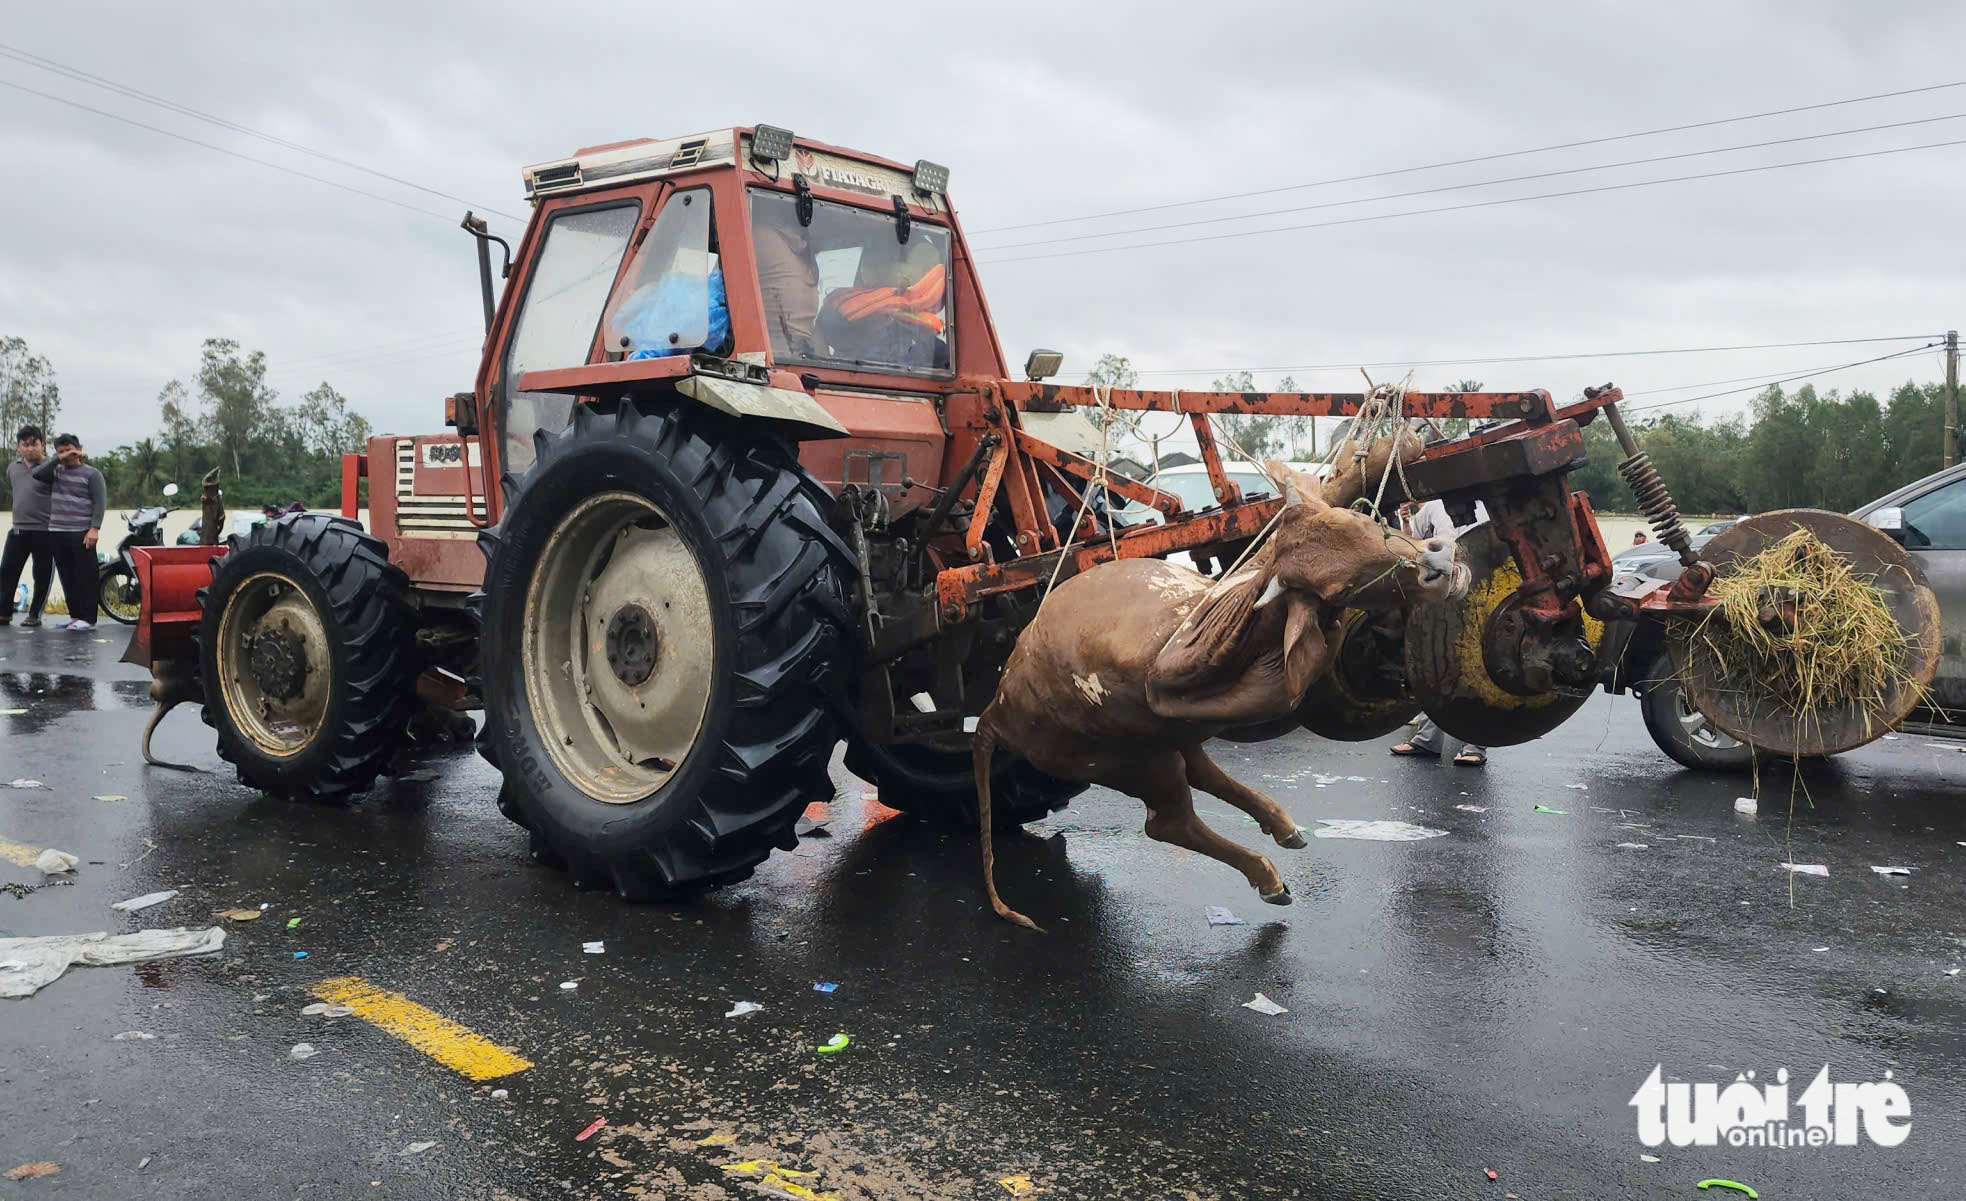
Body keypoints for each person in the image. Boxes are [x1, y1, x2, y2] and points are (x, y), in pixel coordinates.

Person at [1391, 495, 1489, 767]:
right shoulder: (1433, 507)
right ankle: (1427, 740)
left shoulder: (1490, 506)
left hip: (1478, 596)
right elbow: (1413, 544)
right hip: (1438, 599)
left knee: (1475, 669)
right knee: (1432, 665)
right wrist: (1405, 522)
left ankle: (1475, 745)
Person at [32, 433, 105, 631]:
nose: (65, 455)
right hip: (56, 531)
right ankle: (75, 617)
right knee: (67, 577)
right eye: (61, 451)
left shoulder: (92, 474)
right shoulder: (55, 471)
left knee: (86, 576)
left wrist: (94, 528)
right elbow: (36, 474)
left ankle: (89, 619)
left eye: (69, 450)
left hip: (81, 532)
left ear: (78, 450)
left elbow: (99, 503)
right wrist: (58, 459)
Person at [2, 425, 57, 627]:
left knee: (42, 575)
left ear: (42, 445)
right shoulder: (13, 469)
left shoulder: (52, 467)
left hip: (45, 531)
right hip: (18, 529)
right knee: (7, 573)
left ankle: (34, 615)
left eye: (34, 444)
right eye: (25, 445)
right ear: (19, 447)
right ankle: (4, 613)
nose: (30, 448)